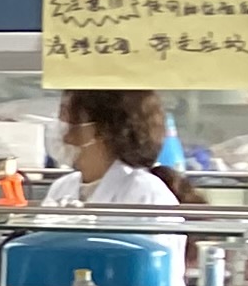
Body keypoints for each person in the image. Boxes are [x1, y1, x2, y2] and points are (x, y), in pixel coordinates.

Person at [45, 88, 191, 214]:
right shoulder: (61, 187)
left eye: (66, 116)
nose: (60, 126)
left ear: (100, 129)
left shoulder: (146, 194)